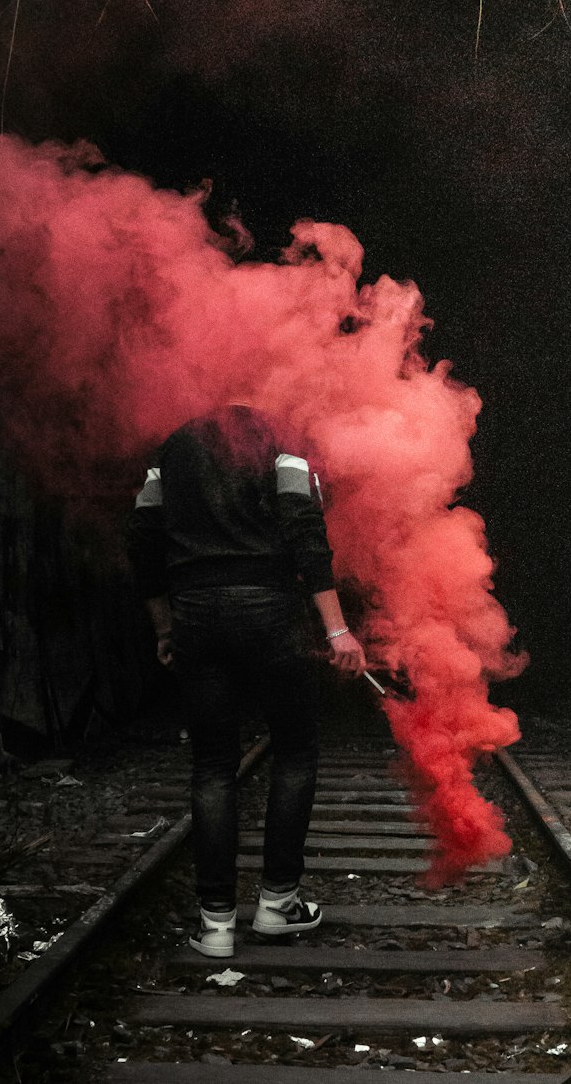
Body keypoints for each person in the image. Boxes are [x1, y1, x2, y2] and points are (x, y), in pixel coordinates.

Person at [126, 403, 366, 958]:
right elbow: (306, 531)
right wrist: (336, 631)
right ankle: (278, 905)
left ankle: (215, 927)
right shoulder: (280, 436)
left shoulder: (173, 448)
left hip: (195, 615)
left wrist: (165, 627)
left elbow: (142, 540)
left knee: (213, 764)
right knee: (295, 751)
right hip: (269, 609)